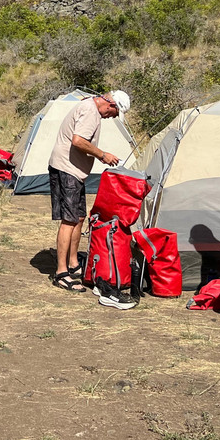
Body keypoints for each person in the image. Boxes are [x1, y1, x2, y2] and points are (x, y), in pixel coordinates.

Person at [48, 90, 130, 303]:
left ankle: (74, 263)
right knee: (69, 220)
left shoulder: (92, 108)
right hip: (67, 170)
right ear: (110, 103)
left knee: (79, 217)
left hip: (75, 172)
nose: (112, 117)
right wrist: (103, 155)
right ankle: (61, 273)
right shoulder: (90, 111)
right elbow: (78, 141)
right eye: (114, 113)